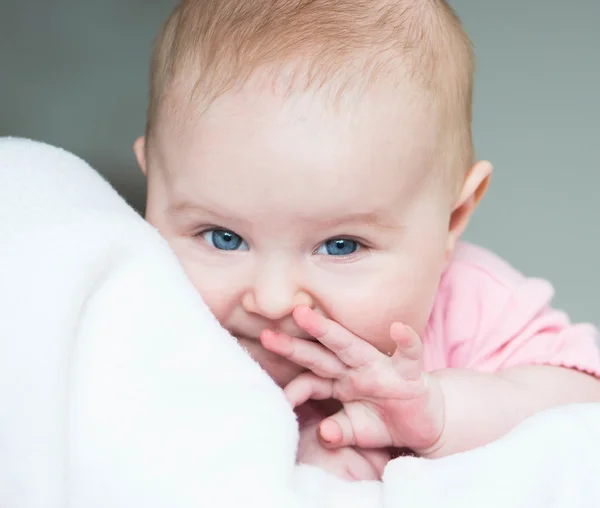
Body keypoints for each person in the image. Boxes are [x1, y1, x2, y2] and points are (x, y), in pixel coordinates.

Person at [133, 0, 600, 480]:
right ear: (153, 187)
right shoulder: (129, 306)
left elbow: (585, 404)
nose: (272, 301)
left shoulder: (471, 305)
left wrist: (441, 413)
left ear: (452, 218)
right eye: (224, 238)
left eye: (341, 246)